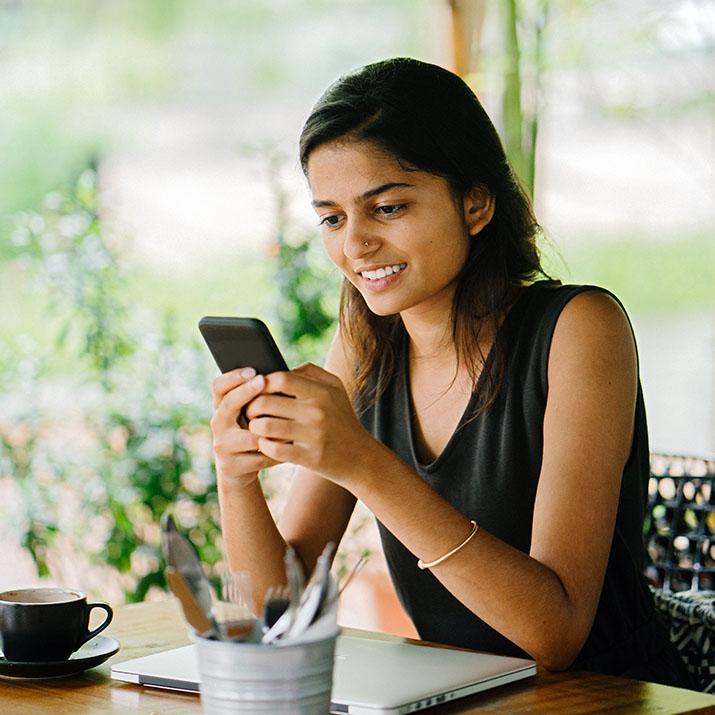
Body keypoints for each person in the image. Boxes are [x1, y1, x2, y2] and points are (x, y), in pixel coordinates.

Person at [210, 57, 693, 687]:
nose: (354, 244)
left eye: (386, 208)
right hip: (458, 700)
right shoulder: (365, 346)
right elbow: (278, 611)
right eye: (332, 217)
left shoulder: (579, 327)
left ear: (475, 203)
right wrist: (236, 475)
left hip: (606, 701)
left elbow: (555, 635)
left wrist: (363, 462)